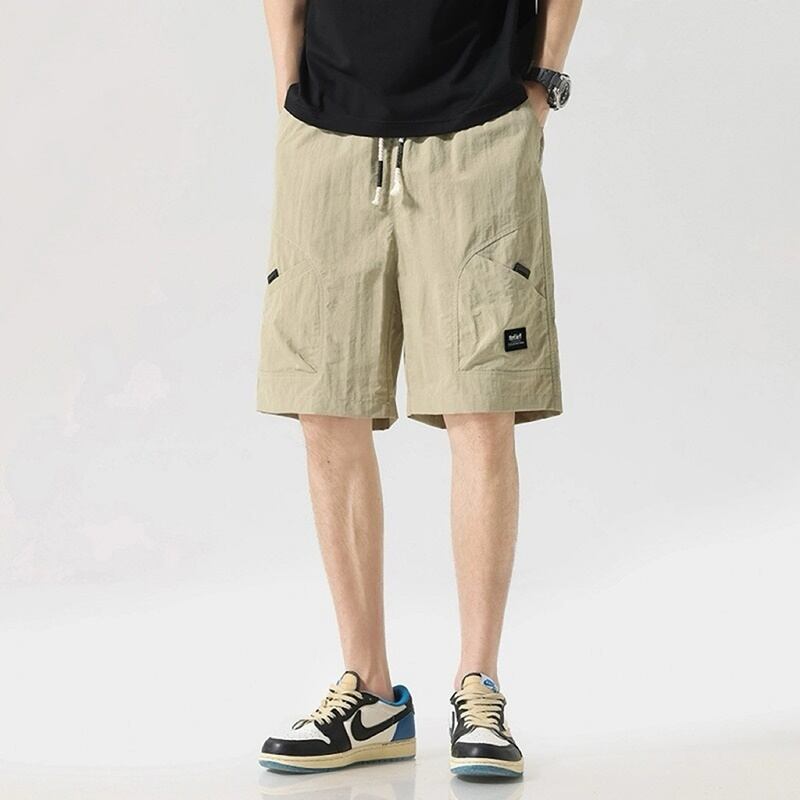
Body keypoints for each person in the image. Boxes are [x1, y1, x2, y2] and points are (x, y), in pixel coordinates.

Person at [256, 0, 582, 780]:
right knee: (325, 408)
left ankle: (479, 686)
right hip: (328, 133)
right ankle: (369, 695)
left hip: (478, 130)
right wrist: (290, 91)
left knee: (481, 404)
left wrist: (542, 85)